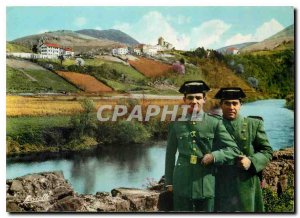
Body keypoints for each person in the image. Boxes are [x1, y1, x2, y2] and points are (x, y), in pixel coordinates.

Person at [164, 80, 241, 212]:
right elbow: (170, 154)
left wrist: (214, 156)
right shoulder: (176, 123)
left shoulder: (214, 123)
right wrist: (169, 182)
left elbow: (234, 149)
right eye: (190, 98)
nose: (194, 101)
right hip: (182, 182)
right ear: (184, 100)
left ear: (204, 100)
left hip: (206, 181)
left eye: (198, 98)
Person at [214, 87, 273, 212]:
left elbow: (266, 151)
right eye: (227, 103)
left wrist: (251, 161)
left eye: (235, 103)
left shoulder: (254, 124)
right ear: (221, 105)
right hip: (220, 184)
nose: (231, 107)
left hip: (246, 184)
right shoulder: (211, 125)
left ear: (241, 104)